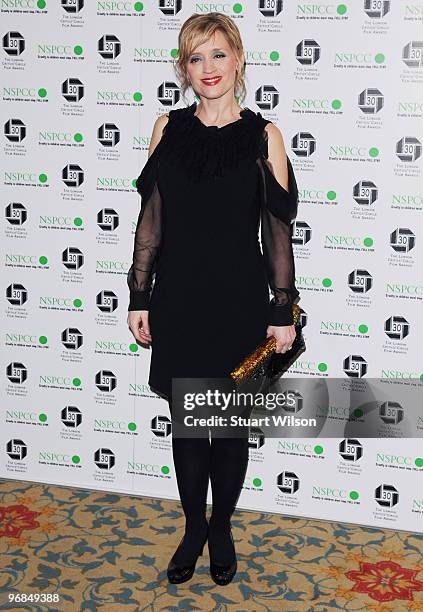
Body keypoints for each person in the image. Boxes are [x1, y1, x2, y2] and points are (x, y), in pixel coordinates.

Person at [127, 12, 299, 586]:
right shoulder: (167, 129)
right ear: (184, 67)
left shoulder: (262, 135)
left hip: (236, 300)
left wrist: (281, 311)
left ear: (239, 60)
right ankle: (192, 526)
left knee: (223, 426)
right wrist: (140, 294)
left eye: (218, 55)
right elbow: (150, 219)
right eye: (196, 58)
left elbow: (277, 231)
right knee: (185, 427)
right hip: (178, 299)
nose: (208, 68)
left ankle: (221, 526)